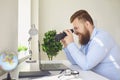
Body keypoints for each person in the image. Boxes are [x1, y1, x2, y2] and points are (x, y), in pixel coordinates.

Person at [61, 10, 120, 80]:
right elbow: (75, 62)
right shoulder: (87, 39)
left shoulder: (101, 39)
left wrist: (71, 43)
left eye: (76, 28)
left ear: (87, 24)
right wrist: (66, 45)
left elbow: (86, 65)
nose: (75, 32)